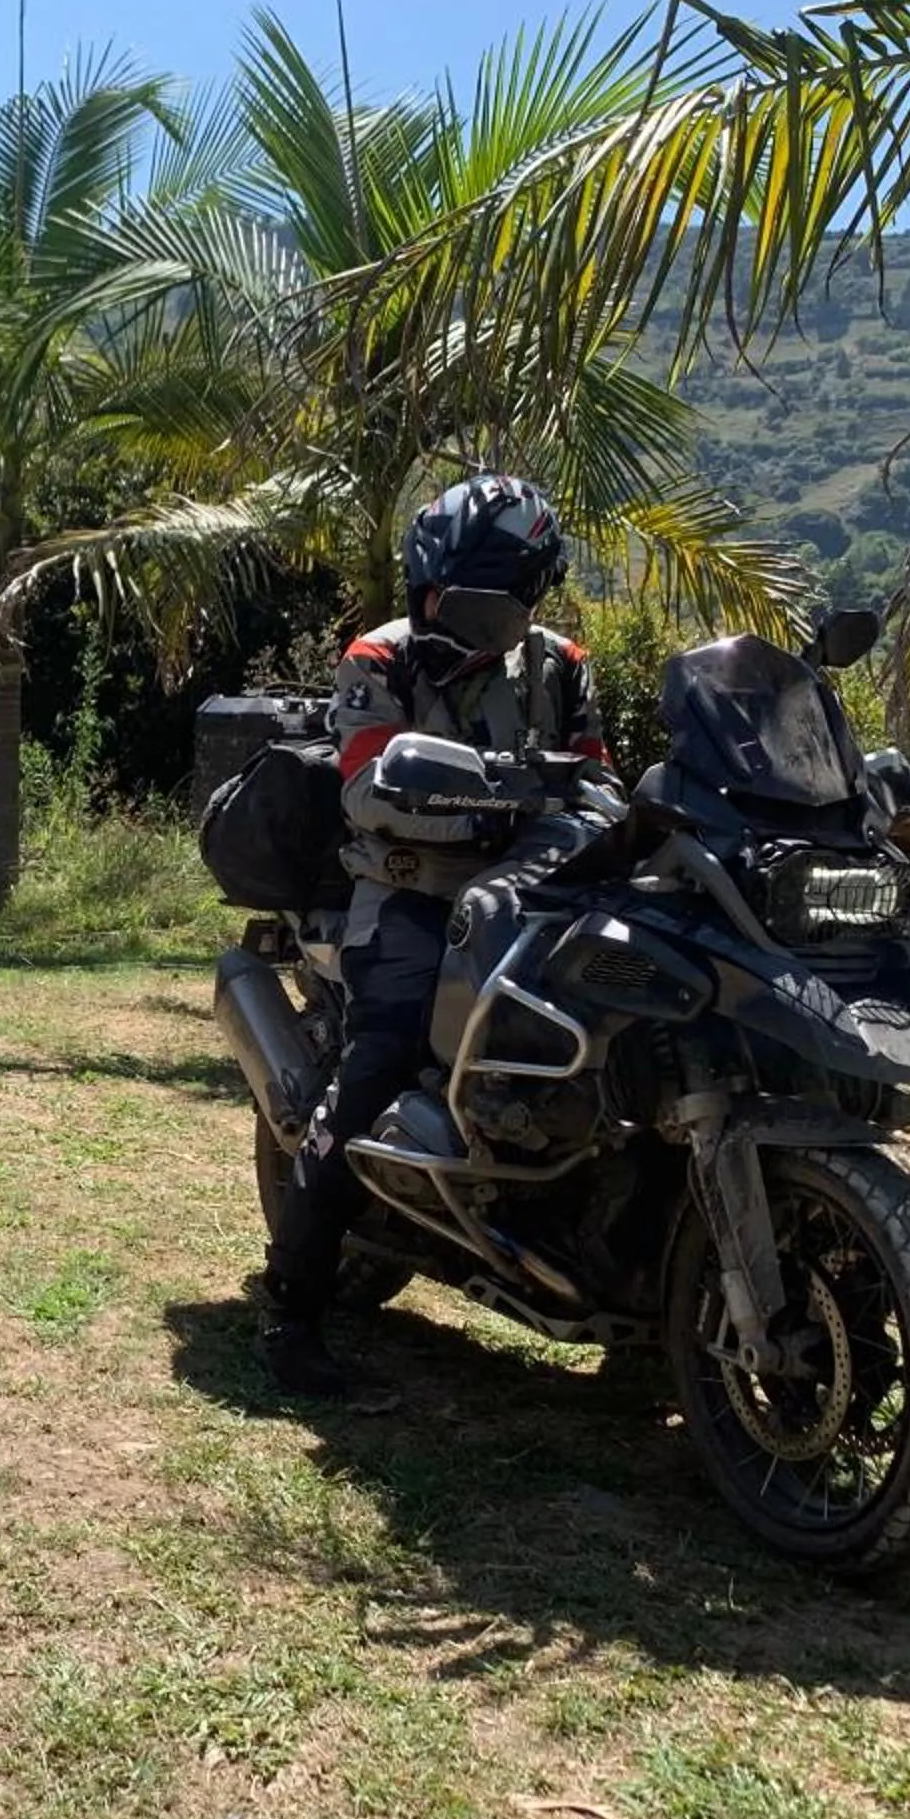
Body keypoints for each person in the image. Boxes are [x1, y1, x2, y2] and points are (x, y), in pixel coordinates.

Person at [261, 472, 613, 1396]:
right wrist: (508, 797)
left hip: (537, 892)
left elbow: (596, 779)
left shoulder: (561, 665)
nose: (435, 610)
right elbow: (367, 788)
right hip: (407, 894)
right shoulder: (380, 657)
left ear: (526, 593)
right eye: (435, 590)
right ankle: (293, 1306)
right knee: (382, 1056)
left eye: (469, 598)